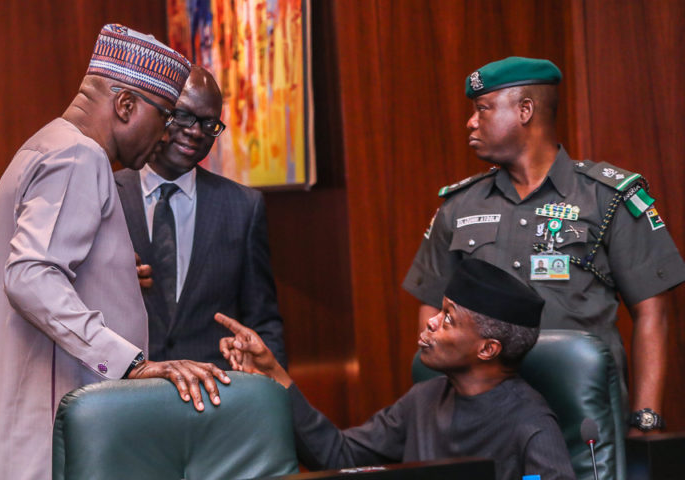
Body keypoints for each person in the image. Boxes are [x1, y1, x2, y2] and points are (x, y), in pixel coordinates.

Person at [0, 25, 231, 480]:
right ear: (125, 105)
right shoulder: (80, 157)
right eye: (163, 118)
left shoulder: (37, 149)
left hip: (5, 430)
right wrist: (131, 363)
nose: (165, 135)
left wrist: (110, 282)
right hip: (46, 441)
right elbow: (27, 276)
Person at [402, 57, 685, 434]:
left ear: (525, 110)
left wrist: (645, 419)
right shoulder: (460, 206)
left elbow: (653, 313)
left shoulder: (607, 198)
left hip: (584, 419)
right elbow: (432, 307)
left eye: (483, 109)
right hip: (486, 421)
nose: (471, 122)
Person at [217, 259, 575, 480]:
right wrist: (274, 375)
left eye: (448, 318)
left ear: (487, 349)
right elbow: (338, 456)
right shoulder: (425, 397)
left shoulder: (532, 426)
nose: (431, 322)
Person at [115, 65, 287, 369]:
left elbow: (263, 323)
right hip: (124, 394)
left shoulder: (243, 207)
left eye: (209, 124)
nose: (195, 131)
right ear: (160, 111)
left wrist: (274, 400)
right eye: (183, 115)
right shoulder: (105, 194)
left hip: (216, 401)